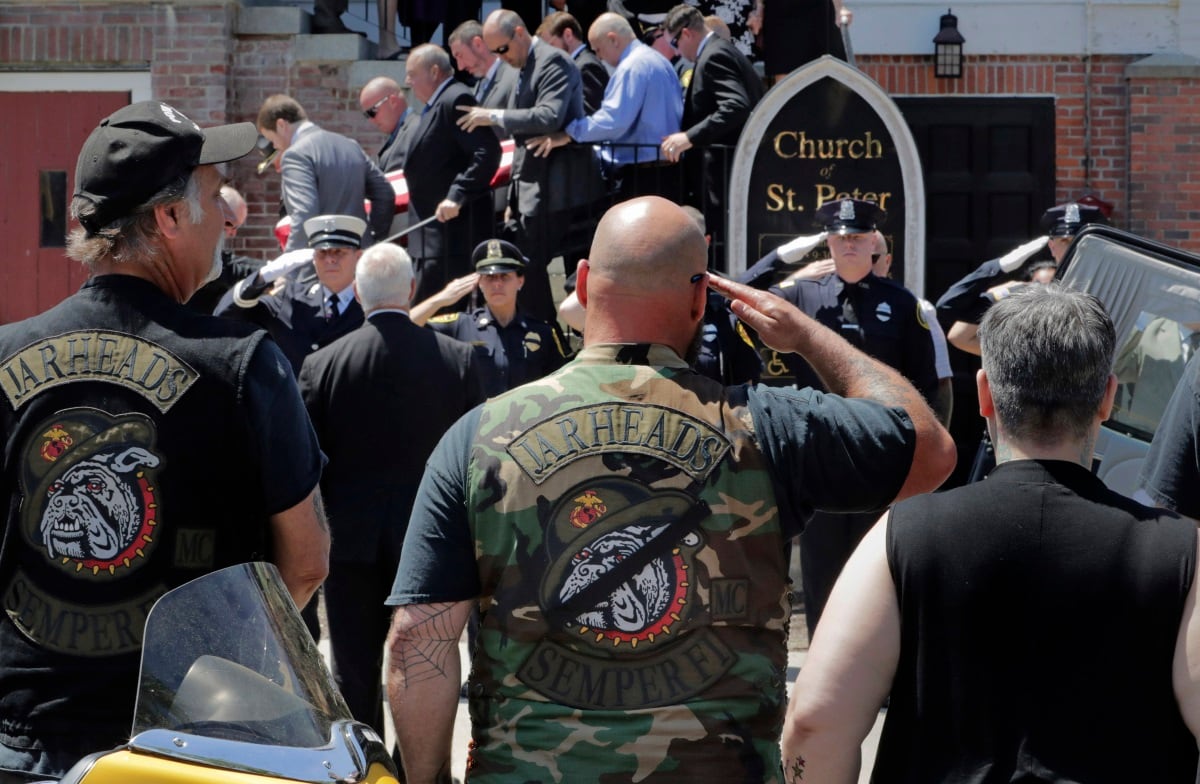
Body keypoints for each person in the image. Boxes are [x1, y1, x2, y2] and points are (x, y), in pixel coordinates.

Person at [383, 196, 955, 783]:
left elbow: (417, 640)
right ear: (699, 298)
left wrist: (425, 780)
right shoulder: (764, 426)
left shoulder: (477, 438)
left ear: (583, 281)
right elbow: (928, 450)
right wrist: (806, 336)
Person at [0, 100, 329, 781]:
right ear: (168, 218)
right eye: (212, 197)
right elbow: (305, 564)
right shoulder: (243, 365)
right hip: (184, 749)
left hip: (17, 743)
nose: (222, 222)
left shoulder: (3, 357)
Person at [783, 284, 1200, 783]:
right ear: (1107, 398)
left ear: (984, 394)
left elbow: (815, 722)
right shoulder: (1181, 553)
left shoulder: (903, 535)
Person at [297, 241, 483, 745]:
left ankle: (365, 768)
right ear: (413, 291)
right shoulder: (460, 361)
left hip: (350, 543)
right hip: (435, 545)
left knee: (353, 674)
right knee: (428, 667)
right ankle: (421, 769)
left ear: (358, 293)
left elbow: (308, 464)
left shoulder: (322, 365)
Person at [765, 199, 939, 638]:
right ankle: (824, 655)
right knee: (821, 562)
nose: (848, 245)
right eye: (840, 238)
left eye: (857, 238)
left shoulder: (902, 305)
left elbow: (924, 384)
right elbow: (743, 298)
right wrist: (787, 269)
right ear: (828, 242)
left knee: (876, 561)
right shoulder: (800, 296)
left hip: (879, 450)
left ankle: (873, 659)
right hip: (819, 447)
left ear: (874, 244)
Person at [458, 8, 605, 324]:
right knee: (529, 269)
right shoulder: (521, 67)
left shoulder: (553, 61)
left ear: (521, 34)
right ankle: (545, 337)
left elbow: (548, 115)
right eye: (495, 51)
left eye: (503, 49)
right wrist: (514, 197)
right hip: (534, 191)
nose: (500, 57)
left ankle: (548, 341)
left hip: (562, 190)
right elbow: (526, 138)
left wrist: (493, 116)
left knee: (533, 268)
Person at [527, 13, 683, 202]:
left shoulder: (631, 67)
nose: (599, 57)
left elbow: (613, 120)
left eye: (599, 49)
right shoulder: (658, 61)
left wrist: (569, 134)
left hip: (642, 175)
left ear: (613, 39)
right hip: (666, 169)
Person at [936, 201, 1108, 357]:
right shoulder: (1026, 295)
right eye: (1065, 241)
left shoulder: (1109, 290)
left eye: (1081, 242)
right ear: (1052, 246)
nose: (1074, 249)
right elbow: (948, 308)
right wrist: (999, 266)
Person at [402, 44, 502, 307]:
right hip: (433, 238)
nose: (407, 81)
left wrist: (457, 195)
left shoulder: (456, 99)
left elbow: (487, 152)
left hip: (452, 238)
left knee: (436, 314)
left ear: (434, 71)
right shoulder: (436, 104)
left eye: (412, 74)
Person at [411, 238, 570, 396]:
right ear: (479, 283)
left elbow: (561, 384)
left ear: (520, 281)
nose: (497, 284)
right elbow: (405, 325)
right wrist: (441, 298)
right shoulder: (461, 326)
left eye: (505, 276)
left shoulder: (543, 332)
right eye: (490, 277)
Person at [661, 4, 763, 247]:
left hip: (725, 174)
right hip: (729, 172)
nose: (676, 51)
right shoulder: (721, 51)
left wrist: (689, 137)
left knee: (723, 244)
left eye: (674, 43)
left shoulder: (714, 55)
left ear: (687, 33)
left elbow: (736, 106)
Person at [216, 214, 368, 375]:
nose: (330, 259)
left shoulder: (371, 304)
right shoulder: (289, 297)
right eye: (322, 252)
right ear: (313, 257)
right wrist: (264, 276)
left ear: (358, 257)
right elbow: (225, 315)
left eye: (338, 252)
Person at [256, 94, 395, 252]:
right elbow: (385, 193)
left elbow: (304, 215)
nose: (275, 145)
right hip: (358, 256)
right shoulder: (351, 146)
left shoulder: (295, 155)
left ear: (281, 125)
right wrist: (370, 238)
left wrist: (290, 269)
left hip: (323, 263)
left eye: (271, 139)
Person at [186, 184, 265, 315]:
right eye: (229, 225)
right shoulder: (196, 248)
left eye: (236, 227)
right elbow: (230, 268)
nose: (233, 234)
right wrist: (269, 271)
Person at [448, 20, 519, 126]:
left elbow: (522, 117)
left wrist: (492, 117)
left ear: (478, 44)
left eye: (460, 56)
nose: (460, 67)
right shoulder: (480, 84)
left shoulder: (514, 75)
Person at [538, 11, 610, 115]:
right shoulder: (577, 65)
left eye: (551, 45)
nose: (548, 53)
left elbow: (587, 114)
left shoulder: (586, 67)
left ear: (568, 35)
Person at [359, 76, 414, 173]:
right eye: (367, 115)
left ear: (392, 101)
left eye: (372, 112)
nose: (371, 120)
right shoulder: (403, 132)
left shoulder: (415, 131)